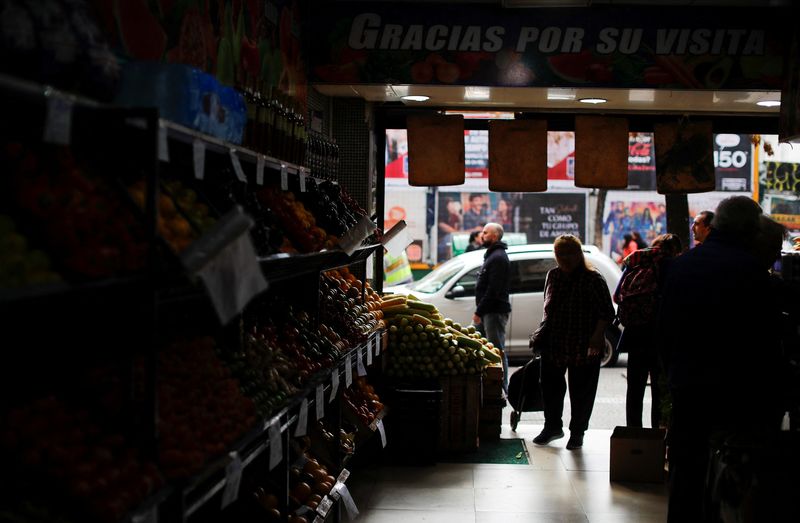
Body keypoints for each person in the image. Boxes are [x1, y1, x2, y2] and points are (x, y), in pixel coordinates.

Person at [657, 196, 782, 522]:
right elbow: (763, 339)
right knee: (728, 470)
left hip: (687, 383)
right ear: (749, 228)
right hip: (734, 390)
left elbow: (665, 330)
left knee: (686, 473)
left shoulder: (684, 264)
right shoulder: (752, 271)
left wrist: (675, 373)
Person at [532, 235, 615, 450]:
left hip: (583, 343)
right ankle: (552, 427)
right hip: (555, 341)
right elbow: (547, 307)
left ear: (579, 254)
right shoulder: (554, 276)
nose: (565, 258)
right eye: (561, 254)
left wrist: (597, 335)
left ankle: (577, 432)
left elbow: (606, 311)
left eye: (570, 253)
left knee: (582, 390)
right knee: (550, 386)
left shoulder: (592, 279)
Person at [615, 233, 682, 430]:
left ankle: (633, 433)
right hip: (659, 335)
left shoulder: (636, 260)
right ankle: (656, 435)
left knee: (634, 389)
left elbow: (618, 295)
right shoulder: (670, 265)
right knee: (659, 391)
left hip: (634, 333)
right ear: (675, 250)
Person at [472, 223, 511, 391]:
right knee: (481, 346)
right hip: (488, 311)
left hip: (493, 312)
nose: (482, 235)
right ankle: (488, 384)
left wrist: (479, 311)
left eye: (485, 232)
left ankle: (502, 387)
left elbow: (493, 290)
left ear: (494, 236)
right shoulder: (492, 255)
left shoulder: (498, 258)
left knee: (496, 350)